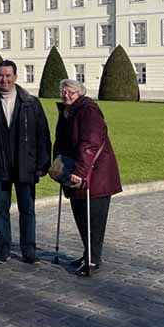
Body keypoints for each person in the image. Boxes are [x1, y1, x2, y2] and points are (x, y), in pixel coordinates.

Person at [0, 60, 51, 265]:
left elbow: (43, 134)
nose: (4, 79)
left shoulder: (31, 103)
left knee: (27, 210)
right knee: (0, 210)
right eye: (1, 75)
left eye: (8, 75)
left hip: (25, 164)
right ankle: (3, 248)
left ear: (15, 77)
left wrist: (43, 163)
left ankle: (28, 250)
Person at [53, 78, 122, 276]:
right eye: (64, 91)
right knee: (82, 218)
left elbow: (91, 142)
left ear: (80, 93)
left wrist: (80, 171)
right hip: (75, 172)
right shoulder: (69, 110)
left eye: (71, 92)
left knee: (93, 220)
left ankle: (94, 259)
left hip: (94, 176)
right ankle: (88, 254)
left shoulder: (88, 110)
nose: (66, 95)